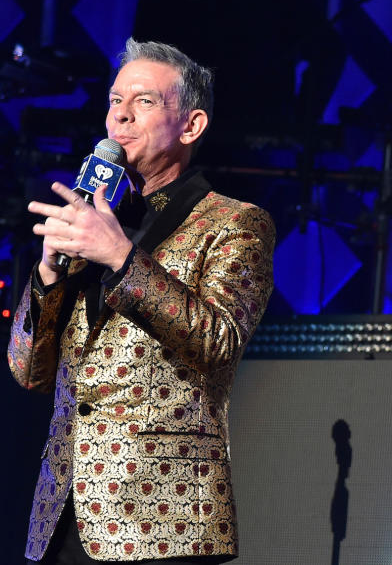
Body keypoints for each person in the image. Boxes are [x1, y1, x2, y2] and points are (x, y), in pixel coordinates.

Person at [6, 38, 275, 563]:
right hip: (63, 509)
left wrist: (123, 258)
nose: (121, 117)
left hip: (164, 515)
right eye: (114, 101)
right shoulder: (92, 218)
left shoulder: (236, 222)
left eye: (144, 102)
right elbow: (27, 372)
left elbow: (219, 341)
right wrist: (47, 273)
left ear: (191, 125)